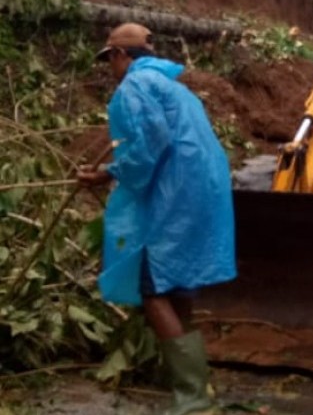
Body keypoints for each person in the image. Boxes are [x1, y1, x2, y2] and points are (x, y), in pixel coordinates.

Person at [77, 23, 236, 415]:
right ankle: (197, 389)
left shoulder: (134, 87)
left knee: (153, 290)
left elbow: (149, 146)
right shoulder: (176, 90)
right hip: (202, 192)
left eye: (109, 60)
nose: (109, 69)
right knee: (176, 285)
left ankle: (193, 400)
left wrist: (110, 173)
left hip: (175, 197)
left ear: (119, 56)